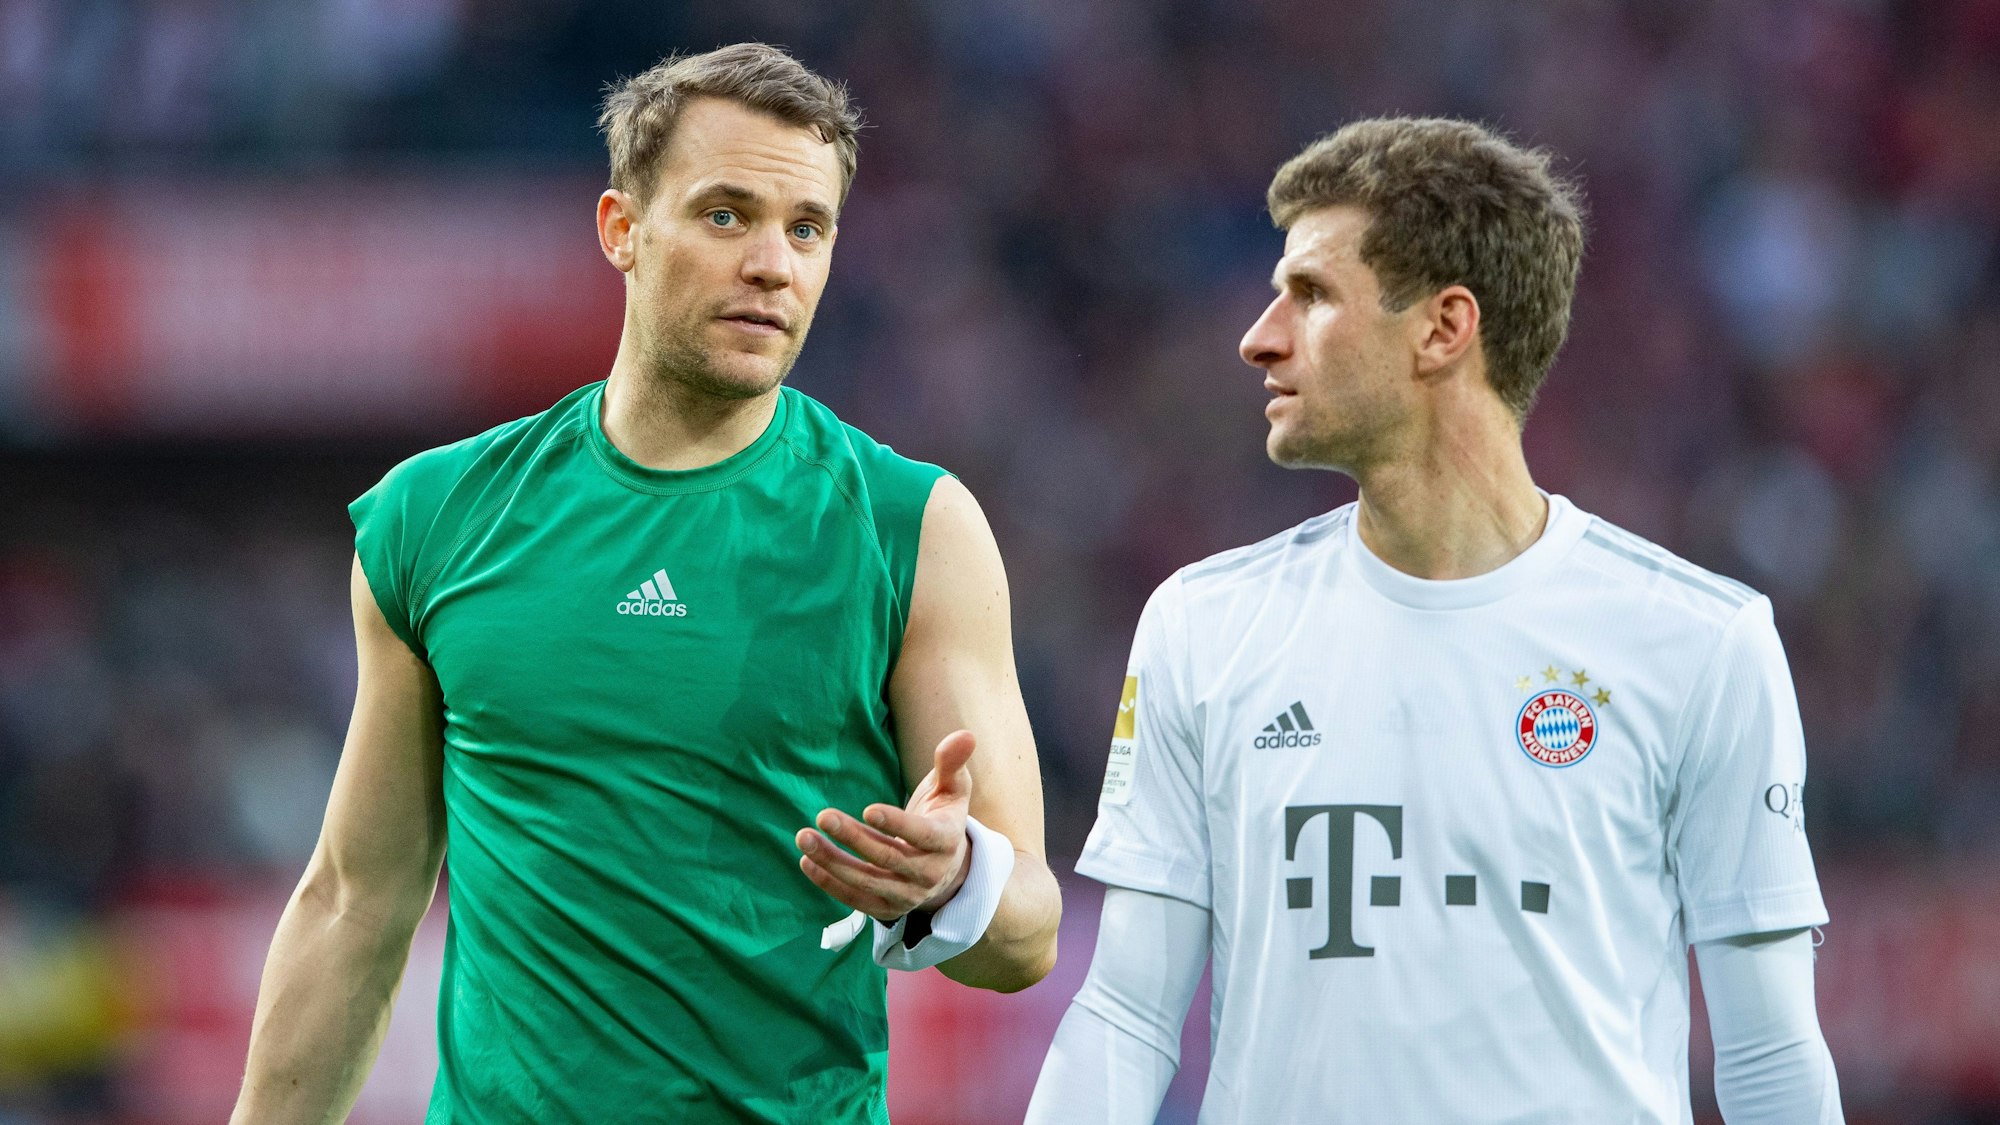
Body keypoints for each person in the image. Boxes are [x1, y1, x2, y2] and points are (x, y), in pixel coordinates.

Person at [230, 43, 1060, 1124]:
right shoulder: (433, 519)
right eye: (726, 215)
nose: (773, 263)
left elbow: (1026, 936)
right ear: (622, 229)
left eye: (806, 229)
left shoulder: (914, 528)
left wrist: (957, 883)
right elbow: (354, 899)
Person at [1027, 117, 1841, 1123]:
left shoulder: (1697, 642)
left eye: (1311, 295)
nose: (1259, 335)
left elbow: (1766, 1052)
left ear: (1442, 328)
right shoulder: (1204, 626)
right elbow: (1124, 1014)